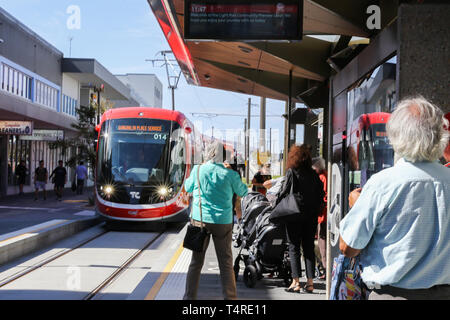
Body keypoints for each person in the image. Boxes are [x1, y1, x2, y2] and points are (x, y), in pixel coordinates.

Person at [339, 96, 450, 300]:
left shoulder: (383, 184)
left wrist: (356, 206)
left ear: (396, 137)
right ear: (439, 136)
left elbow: (348, 247)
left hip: (392, 294)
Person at [183, 140, 248, 300]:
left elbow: (188, 187)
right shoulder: (230, 174)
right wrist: (232, 170)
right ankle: (230, 299)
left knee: (196, 263)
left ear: (208, 153)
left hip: (200, 221)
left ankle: (189, 299)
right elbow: (243, 191)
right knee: (226, 263)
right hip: (223, 222)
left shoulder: (198, 170)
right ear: (223, 156)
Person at [274, 144, 324, 294]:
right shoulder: (314, 174)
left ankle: (295, 282)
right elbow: (320, 195)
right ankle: (310, 283)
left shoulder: (292, 172)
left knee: (294, 247)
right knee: (308, 248)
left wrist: (276, 206)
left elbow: (283, 192)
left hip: (294, 214)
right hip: (311, 216)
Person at [312, 157, 327, 280]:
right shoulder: (325, 175)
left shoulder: (321, 177)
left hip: (323, 215)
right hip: (324, 214)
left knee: (322, 242)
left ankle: (325, 267)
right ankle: (324, 267)